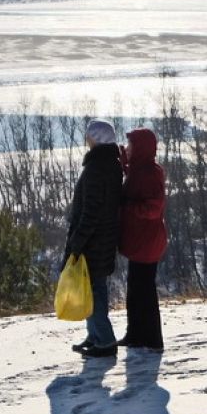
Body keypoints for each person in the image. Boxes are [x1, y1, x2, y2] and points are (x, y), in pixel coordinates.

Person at [65, 119, 125, 359]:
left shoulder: (96, 168)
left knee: (94, 291)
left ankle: (106, 342)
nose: (86, 139)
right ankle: (95, 336)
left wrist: (77, 244)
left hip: (94, 241)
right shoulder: (111, 164)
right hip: (105, 238)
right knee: (93, 289)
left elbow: (90, 212)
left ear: (96, 139)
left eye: (89, 136)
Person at [118, 127, 168, 351]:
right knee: (136, 289)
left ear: (141, 148)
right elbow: (135, 181)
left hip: (147, 243)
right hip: (142, 241)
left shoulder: (149, 173)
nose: (128, 148)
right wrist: (124, 165)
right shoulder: (141, 169)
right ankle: (136, 334)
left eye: (131, 145)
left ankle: (152, 340)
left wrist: (127, 206)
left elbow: (153, 208)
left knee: (144, 291)